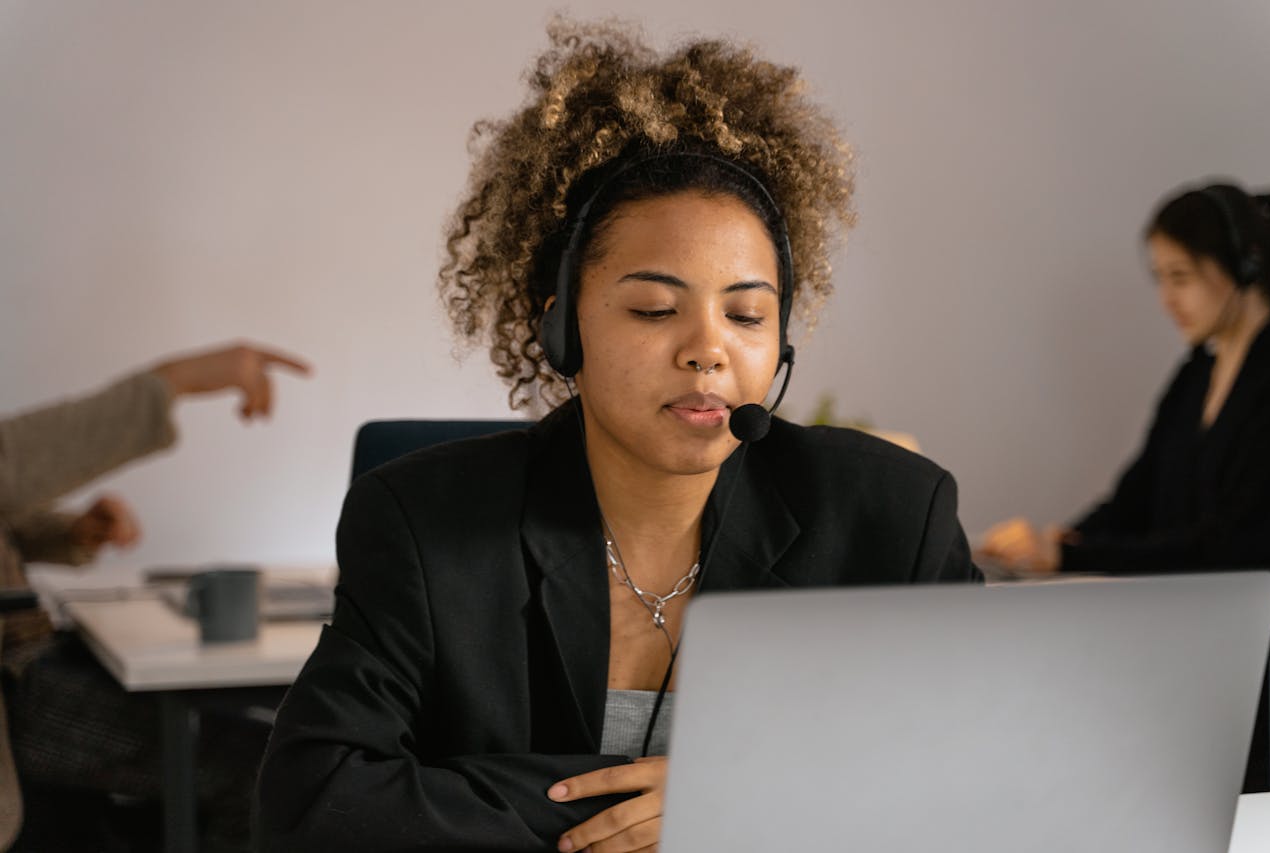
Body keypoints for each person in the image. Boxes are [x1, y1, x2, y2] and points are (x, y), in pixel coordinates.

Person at [256, 19, 975, 853]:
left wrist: (748, 794)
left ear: (780, 343)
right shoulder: (425, 522)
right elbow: (313, 807)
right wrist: (642, 814)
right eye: (653, 309)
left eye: (746, 313)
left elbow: (982, 779)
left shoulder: (892, 517)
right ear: (563, 330)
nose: (708, 347)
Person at [0, 341, 310, 849]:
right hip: (21, 686)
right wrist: (176, 379)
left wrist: (70, 533)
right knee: (264, 770)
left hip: (38, 657)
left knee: (263, 736)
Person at [979, 182, 1270, 577]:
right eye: (1160, 279)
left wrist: (1072, 556)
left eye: (1181, 278)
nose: (1167, 299)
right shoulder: (1196, 374)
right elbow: (1136, 498)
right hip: (1190, 609)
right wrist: (1064, 539)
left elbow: (1232, 545)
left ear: (1245, 267)